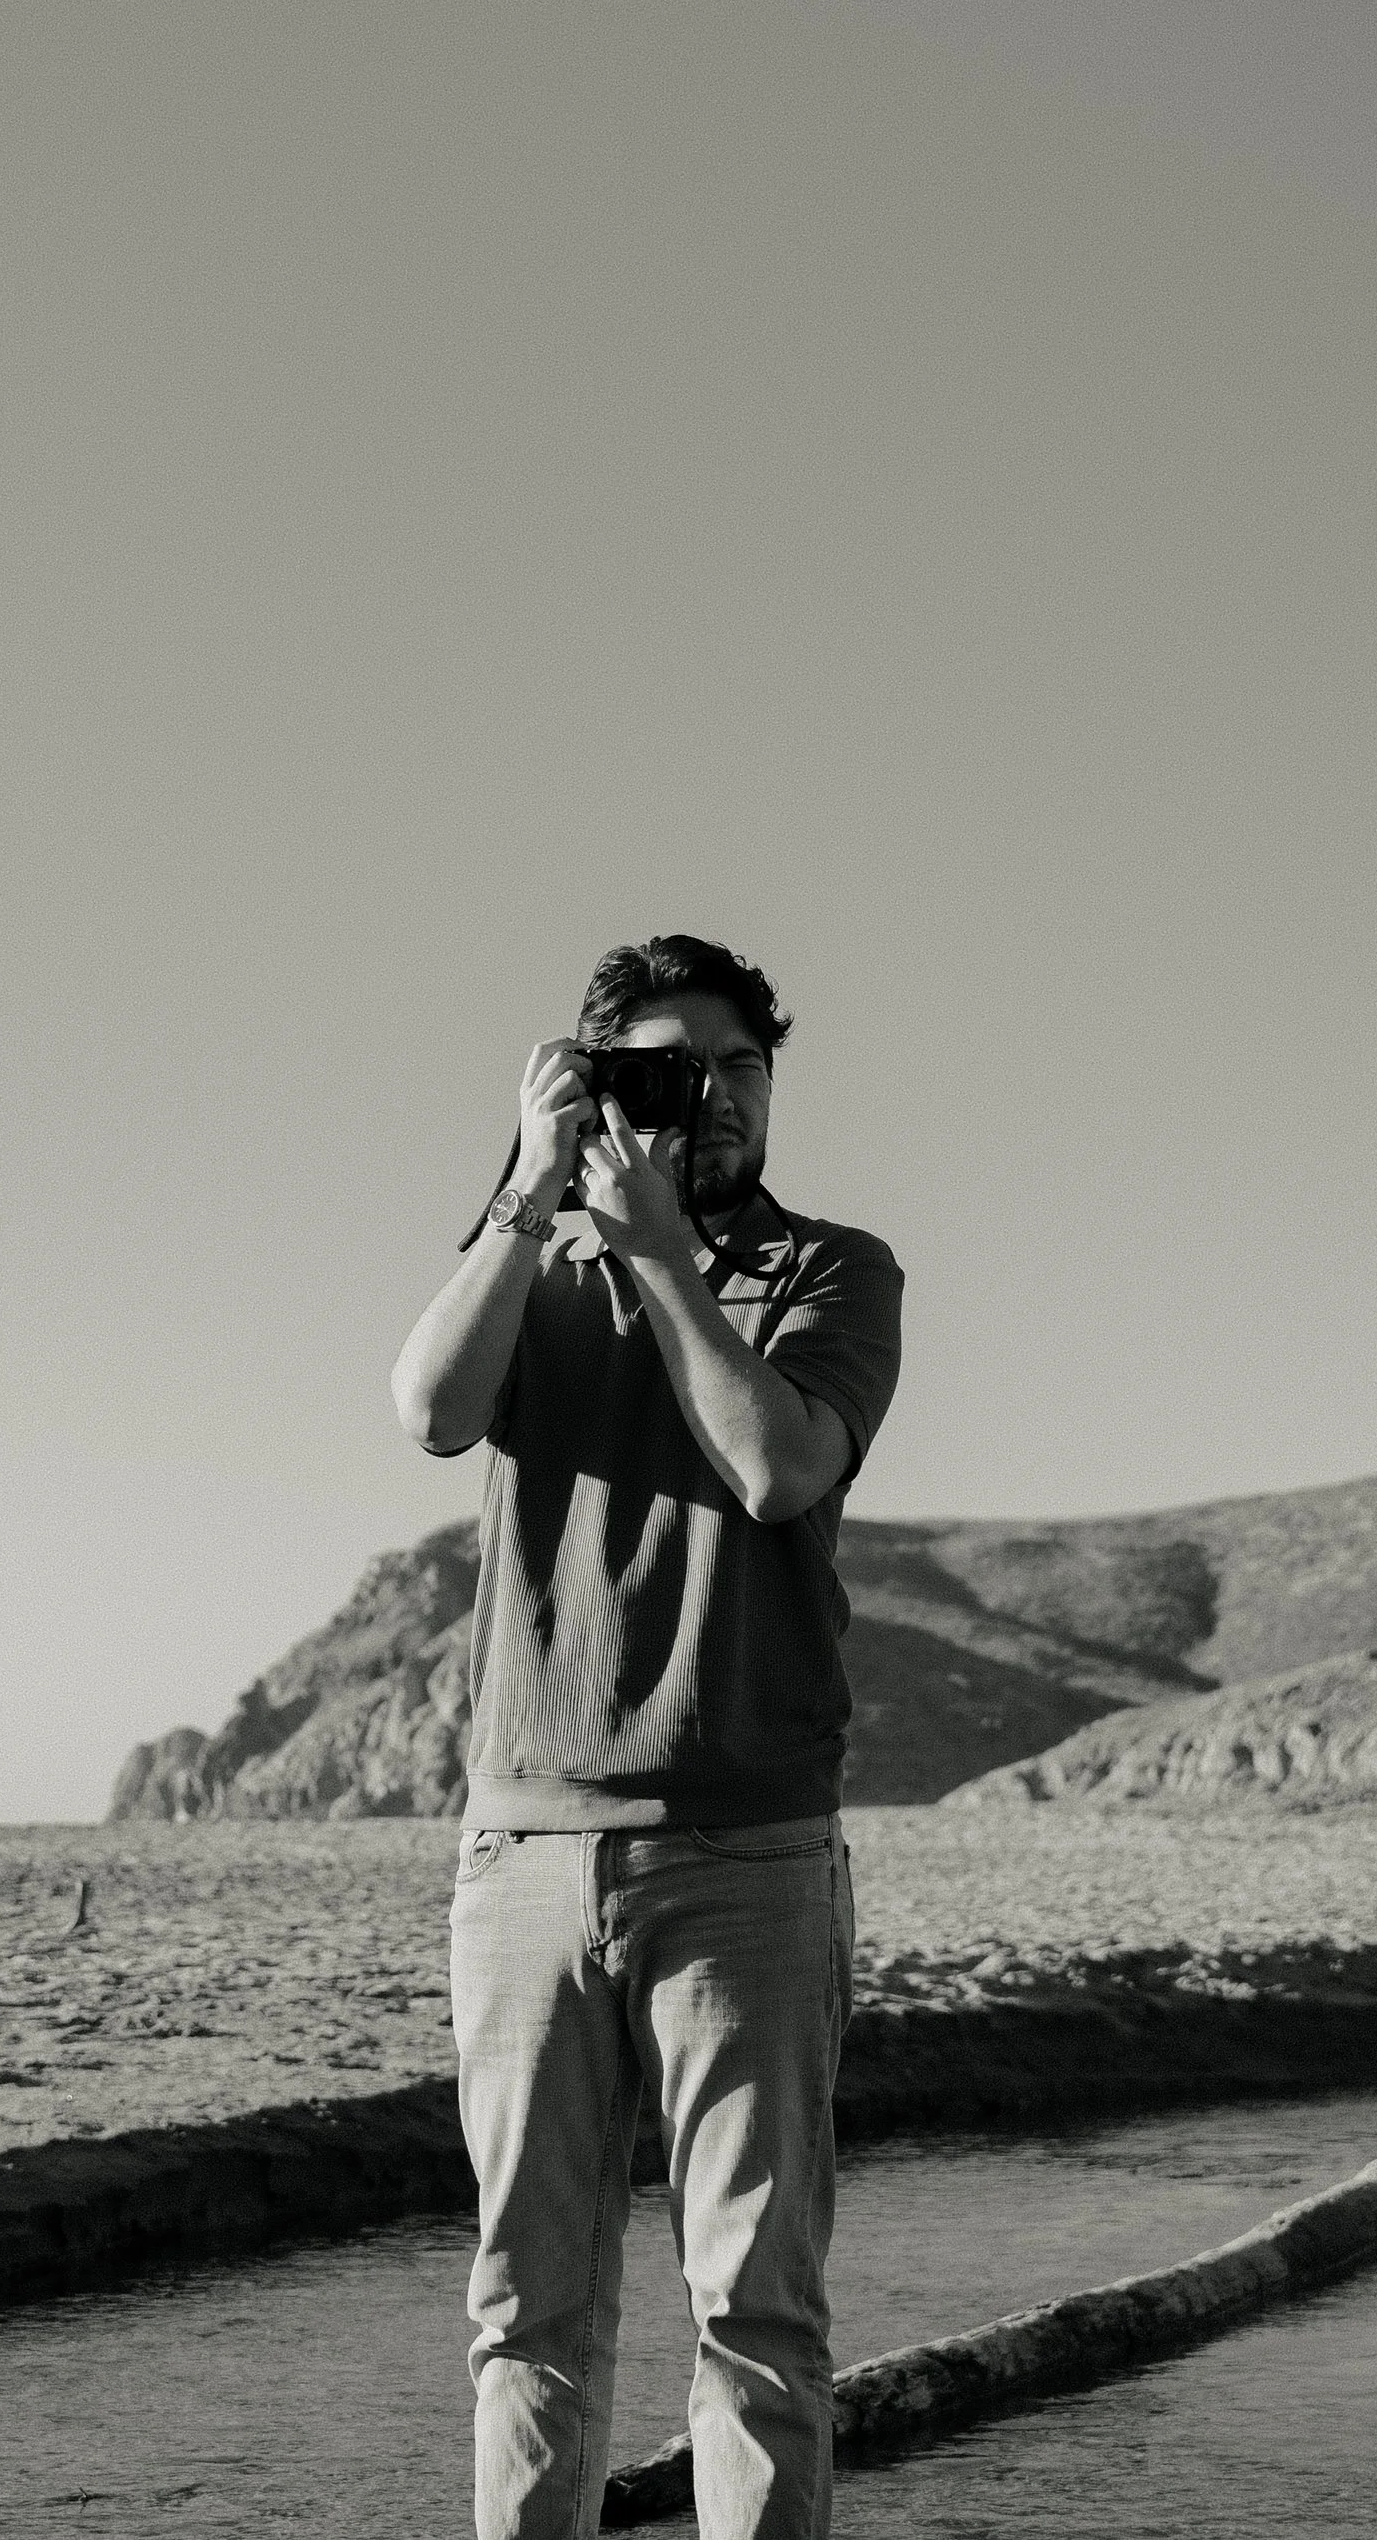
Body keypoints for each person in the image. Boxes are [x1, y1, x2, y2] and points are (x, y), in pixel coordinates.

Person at [391, 935, 904, 2540]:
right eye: (668, 1068)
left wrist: (673, 1260)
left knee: (756, 2311)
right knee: (527, 2307)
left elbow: (776, 1469)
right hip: (525, 1849)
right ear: (597, 1080)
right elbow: (427, 1407)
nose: (715, 1095)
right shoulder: (530, 1266)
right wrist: (532, 1188)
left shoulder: (832, 1268)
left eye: (742, 1065)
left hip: (746, 1849)